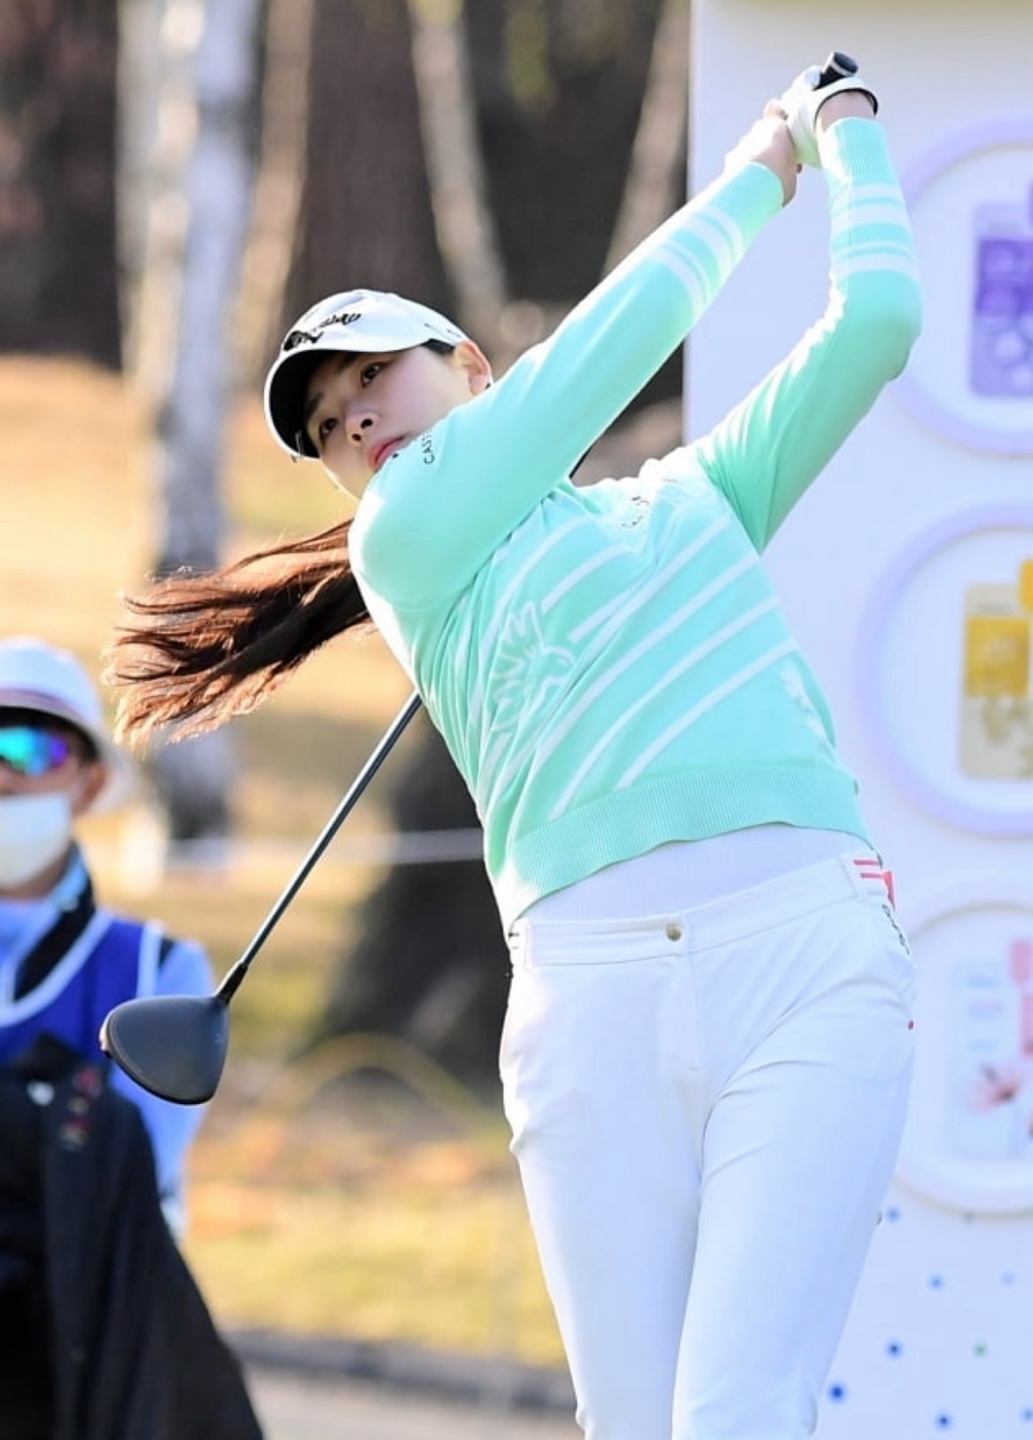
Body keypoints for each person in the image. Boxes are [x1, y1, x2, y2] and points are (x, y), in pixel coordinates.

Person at [105, 60, 922, 1440]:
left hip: (805, 949)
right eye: (329, 423)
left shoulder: (700, 497)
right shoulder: (403, 538)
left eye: (376, 375)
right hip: (592, 998)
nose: (357, 420)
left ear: (470, 369)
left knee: (737, 1412)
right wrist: (761, 169)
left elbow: (880, 321)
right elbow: (614, 344)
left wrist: (847, 132)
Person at [0, 636, 263, 1438]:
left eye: (33, 745)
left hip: (72, 1356)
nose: (3, 769)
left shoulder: (156, 969)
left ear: (87, 783)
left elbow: (123, 1186)